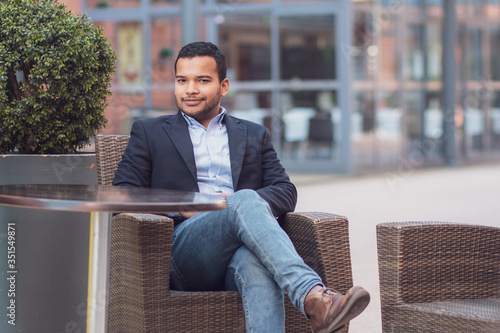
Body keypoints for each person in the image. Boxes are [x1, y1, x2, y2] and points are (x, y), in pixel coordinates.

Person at [113, 41, 370, 333]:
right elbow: (122, 194)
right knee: (243, 200)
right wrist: (183, 204)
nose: (190, 89)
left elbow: (285, 190)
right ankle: (313, 296)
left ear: (224, 86)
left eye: (202, 80)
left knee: (254, 260)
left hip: (239, 252)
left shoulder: (253, 134)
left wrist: (234, 204)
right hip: (181, 253)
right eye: (182, 80)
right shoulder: (149, 132)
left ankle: (313, 299)